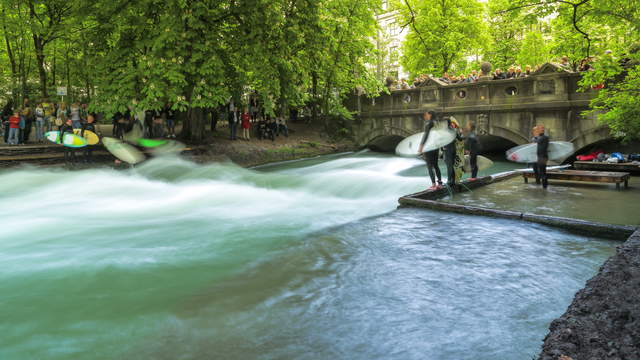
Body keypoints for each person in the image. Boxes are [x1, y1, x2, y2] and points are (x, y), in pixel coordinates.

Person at [417, 111, 444, 190]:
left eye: (427, 114)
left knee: (429, 166)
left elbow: (426, 135)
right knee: (436, 165)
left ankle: (433, 184)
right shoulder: (437, 123)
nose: (425, 116)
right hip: (436, 147)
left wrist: (421, 146)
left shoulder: (428, 124)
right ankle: (440, 184)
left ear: (430, 115)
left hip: (429, 147)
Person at [443, 118, 463, 187]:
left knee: (449, 166)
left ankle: (449, 181)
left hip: (448, 149)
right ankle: (453, 181)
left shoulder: (445, 131)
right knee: (452, 165)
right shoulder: (453, 130)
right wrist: (461, 133)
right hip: (453, 149)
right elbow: (460, 139)